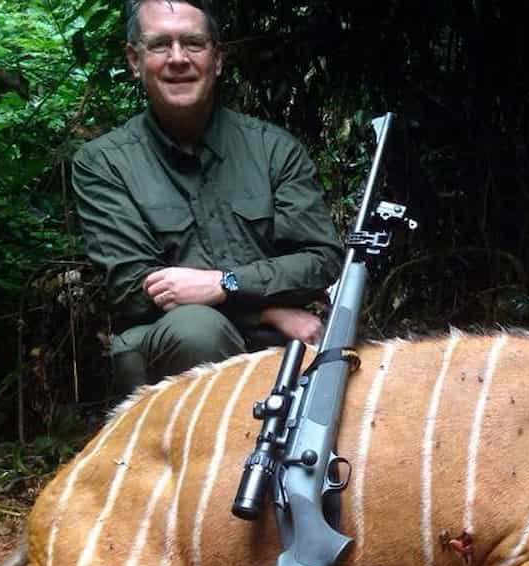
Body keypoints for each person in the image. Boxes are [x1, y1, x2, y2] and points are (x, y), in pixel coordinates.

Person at [72, 0, 343, 395]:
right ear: (134, 60)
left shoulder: (273, 149)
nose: (178, 58)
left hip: (281, 344)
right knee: (197, 329)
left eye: (193, 44)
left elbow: (322, 260)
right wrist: (264, 309)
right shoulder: (103, 163)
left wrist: (226, 283)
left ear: (217, 59)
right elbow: (133, 289)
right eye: (161, 45)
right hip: (170, 355)